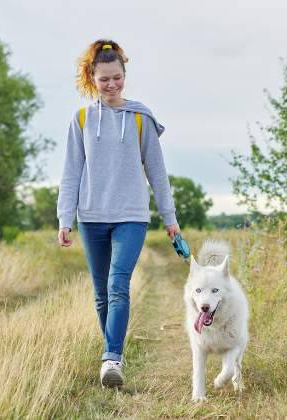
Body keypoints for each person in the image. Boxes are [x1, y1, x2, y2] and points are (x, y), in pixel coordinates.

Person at [56, 39, 180, 388]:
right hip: (91, 216)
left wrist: (169, 219)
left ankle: (111, 358)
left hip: (131, 215)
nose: (111, 85)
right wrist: (65, 218)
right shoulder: (81, 119)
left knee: (117, 284)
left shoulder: (141, 118)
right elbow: (71, 172)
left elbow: (158, 174)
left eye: (117, 78)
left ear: (125, 75)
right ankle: (113, 354)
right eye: (104, 79)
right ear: (92, 78)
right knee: (100, 292)